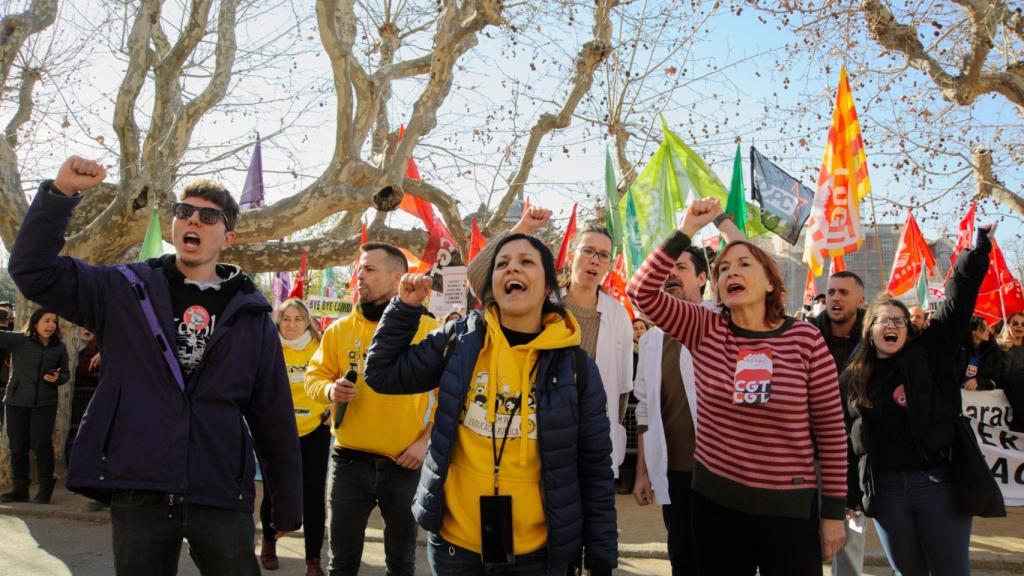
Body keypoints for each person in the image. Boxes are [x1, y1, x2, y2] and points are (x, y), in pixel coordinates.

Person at [9, 156, 301, 575]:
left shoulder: (252, 315)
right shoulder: (124, 289)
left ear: (228, 237)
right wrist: (60, 195)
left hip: (217, 487)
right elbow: (32, 270)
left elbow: (273, 414)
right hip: (139, 483)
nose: (192, 221)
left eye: (208, 216)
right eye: (184, 212)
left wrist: (286, 502)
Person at [363, 233, 618, 576]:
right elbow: (382, 373)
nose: (512, 267)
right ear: (493, 284)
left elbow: (595, 468)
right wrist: (403, 310)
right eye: (502, 264)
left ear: (547, 288)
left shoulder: (576, 368)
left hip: (537, 557)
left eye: (526, 262)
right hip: (455, 549)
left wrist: (601, 558)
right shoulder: (460, 339)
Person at [627, 198, 847, 576]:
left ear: (770, 283)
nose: (731, 271)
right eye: (723, 268)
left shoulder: (805, 339)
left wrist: (832, 514)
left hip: (790, 513)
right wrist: (686, 229)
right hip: (716, 508)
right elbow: (641, 292)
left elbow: (831, 432)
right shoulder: (705, 328)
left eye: (745, 265)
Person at [843, 224, 993, 576]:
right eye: (884, 319)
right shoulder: (854, 376)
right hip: (887, 491)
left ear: (908, 331)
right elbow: (847, 439)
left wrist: (975, 254)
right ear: (871, 329)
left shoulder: (930, 355)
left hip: (938, 486)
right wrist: (850, 494)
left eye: (900, 320)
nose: (892, 325)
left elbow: (956, 306)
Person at [467, 208, 632, 482]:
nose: (595, 260)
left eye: (603, 255)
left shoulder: (618, 317)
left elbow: (622, 389)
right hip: (537, 429)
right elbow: (476, 277)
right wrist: (522, 228)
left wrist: (608, 430)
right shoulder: (543, 300)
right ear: (570, 255)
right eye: (588, 251)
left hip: (591, 438)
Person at [304, 242, 438, 576]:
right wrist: (330, 389)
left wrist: (425, 442)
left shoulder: (429, 331)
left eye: (369, 269)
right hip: (348, 463)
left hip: (405, 466)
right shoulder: (339, 330)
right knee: (341, 564)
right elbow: (313, 378)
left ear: (398, 279)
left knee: (402, 563)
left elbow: (452, 397)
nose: (358, 276)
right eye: (358, 269)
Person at [259, 298, 331, 576]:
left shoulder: (321, 347)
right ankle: (268, 543)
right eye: (286, 318)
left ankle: (313, 560)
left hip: (314, 431)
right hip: (275, 431)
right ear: (278, 322)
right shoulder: (268, 347)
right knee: (274, 493)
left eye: (297, 318)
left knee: (313, 496)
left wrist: (331, 408)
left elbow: (336, 379)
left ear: (307, 322)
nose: (291, 324)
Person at [809, 270, 868, 576]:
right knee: (805, 543)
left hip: (855, 459)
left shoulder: (875, 343)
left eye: (844, 293)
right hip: (808, 456)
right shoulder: (806, 336)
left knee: (850, 543)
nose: (835, 298)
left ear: (861, 300)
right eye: (831, 292)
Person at [0, 308, 69, 504]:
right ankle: (20, 489)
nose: (50, 325)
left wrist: (57, 378)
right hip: (16, 401)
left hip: (45, 403)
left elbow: (65, 374)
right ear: (35, 322)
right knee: (18, 446)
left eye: (54, 322)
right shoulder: (19, 340)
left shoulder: (59, 347)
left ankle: (46, 488)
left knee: (41, 444)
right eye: (46, 321)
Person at [958, 316, 1005, 391]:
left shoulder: (993, 350)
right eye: (984, 327)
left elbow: (994, 382)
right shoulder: (959, 349)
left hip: (978, 400)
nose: (988, 330)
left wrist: (978, 382)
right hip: (954, 396)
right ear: (973, 330)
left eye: (988, 327)